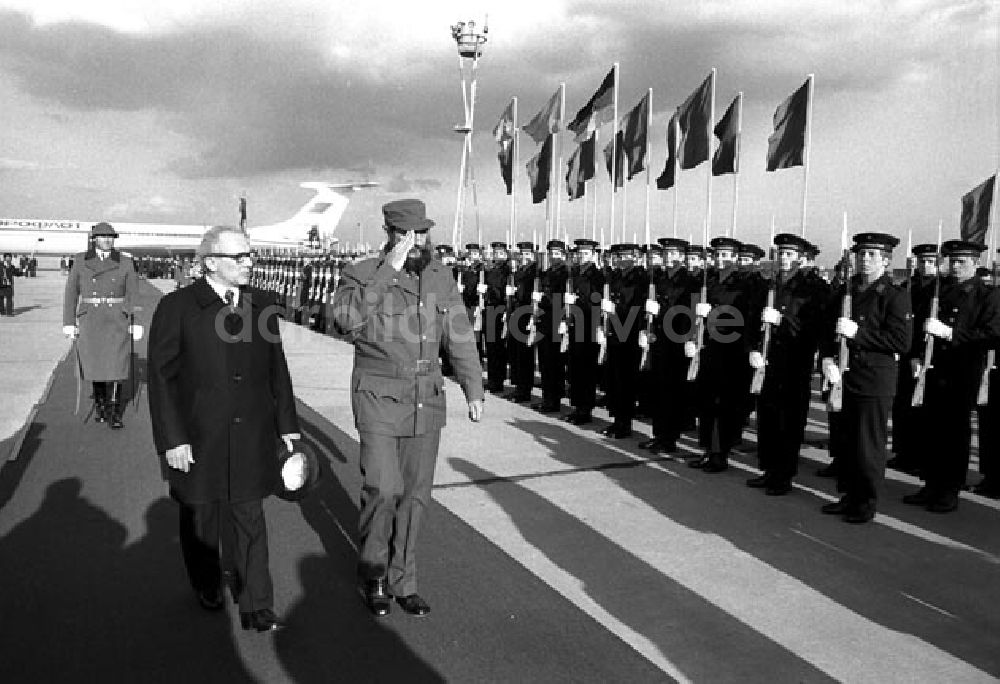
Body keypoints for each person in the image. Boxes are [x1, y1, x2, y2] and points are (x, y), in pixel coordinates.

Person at [332, 199, 484, 617]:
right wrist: (389, 270)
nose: (420, 241)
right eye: (411, 234)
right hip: (379, 395)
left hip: (426, 397)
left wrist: (473, 387)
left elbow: (459, 334)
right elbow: (347, 319)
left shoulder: (439, 275)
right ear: (393, 235)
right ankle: (374, 574)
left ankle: (404, 580)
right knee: (382, 487)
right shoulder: (362, 273)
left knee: (416, 496)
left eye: (423, 233)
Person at [148, 225, 299, 632]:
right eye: (240, 257)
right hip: (199, 435)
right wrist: (172, 439)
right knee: (201, 515)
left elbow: (276, 368)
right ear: (210, 262)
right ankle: (207, 581)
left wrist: (287, 425)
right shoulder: (177, 307)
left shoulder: (261, 305)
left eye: (250, 256)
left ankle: (257, 601)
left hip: (252, 432)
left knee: (250, 514)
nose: (249, 263)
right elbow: (161, 378)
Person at [820, 232, 911, 523]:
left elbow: (900, 341)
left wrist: (858, 334)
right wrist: (826, 359)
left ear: (886, 260)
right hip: (844, 377)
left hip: (873, 379)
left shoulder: (895, 295)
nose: (865, 259)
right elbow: (828, 330)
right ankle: (847, 495)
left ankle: (865, 502)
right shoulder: (848, 292)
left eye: (872, 255)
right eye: (861, 254)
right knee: (846, 442)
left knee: (867, 445)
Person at [902, 240, 1000, 512]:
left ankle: (949, 489)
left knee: (954, 433)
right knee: (931, 429)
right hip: (933, 368)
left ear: (976, 263)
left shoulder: (987, 294)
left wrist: (950, 333)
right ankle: (931, 484)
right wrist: (917, 356)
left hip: (962, 370)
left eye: (962, 262)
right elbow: (920, 325)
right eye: (952, 261)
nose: (955, 266)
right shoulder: (939, 289)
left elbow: (992, 333)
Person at [747, 234, 825, 495]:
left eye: (789, 254)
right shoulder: (769, 284)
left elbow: (813, 328)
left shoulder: (812, 287)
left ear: (801, 258)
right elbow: (751, 320)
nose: (783, 258)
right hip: (768, 360)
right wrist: (754, 349)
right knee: (767, 417)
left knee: (788, 420)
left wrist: (783, 320)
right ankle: (768, 469)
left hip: (794, 362)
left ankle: (783, 475)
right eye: (780, 253)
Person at [62, 223, 142, 428]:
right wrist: (69, 322)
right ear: (94, 239)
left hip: (116, 319)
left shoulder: (125, 262)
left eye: (110, 236)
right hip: (91, 320)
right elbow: (71, 293)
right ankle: (100, 405)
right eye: (103, 236)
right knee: (95, 364)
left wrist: (136, 322)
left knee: (116, 364)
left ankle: (114, 411)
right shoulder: (81, 260)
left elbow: (133, 293)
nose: (107, 240)